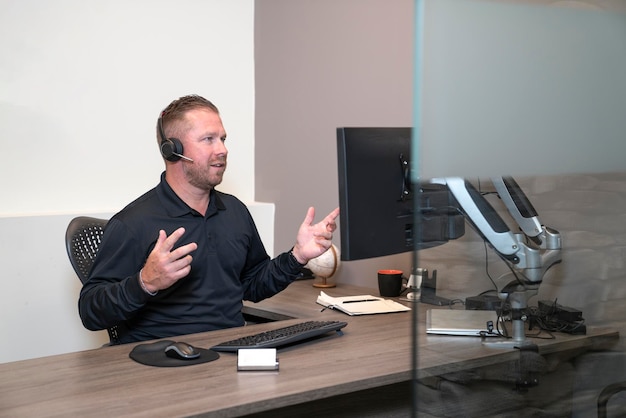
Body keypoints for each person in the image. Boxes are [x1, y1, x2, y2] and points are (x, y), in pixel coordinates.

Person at [78, 94, 339, 344]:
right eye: (208, 139)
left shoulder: (234, 211)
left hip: (230, 353)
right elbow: (91, 312)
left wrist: (298, 257)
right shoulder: (134, 222)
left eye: (223, 139)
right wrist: (144, 282)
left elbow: (252, 286)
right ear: (173, 150)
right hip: (162, 364)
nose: (222, 150)